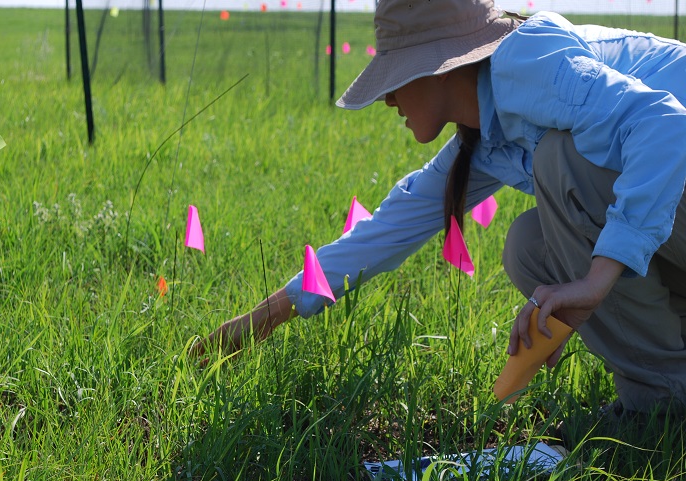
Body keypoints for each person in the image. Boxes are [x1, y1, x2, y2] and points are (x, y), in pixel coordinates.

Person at [195, 0, 686, 423]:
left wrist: (594, 281)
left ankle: (659, 399)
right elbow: (387, 230)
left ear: (442, 65)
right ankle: (665, 392)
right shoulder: (486, 136)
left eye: (396, 75)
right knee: (528, 247)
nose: (388, 98)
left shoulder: (525, 58)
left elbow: (666, 125)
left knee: (562, 164)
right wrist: (263, 318)